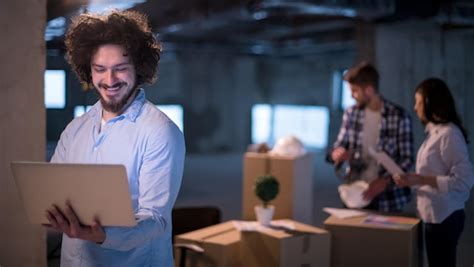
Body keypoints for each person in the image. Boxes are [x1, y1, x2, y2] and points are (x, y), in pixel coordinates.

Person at [45, 10, 185, 266]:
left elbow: (156, 219)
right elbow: (53, 192)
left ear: (139, 68)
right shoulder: (75, 130)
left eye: (120, 69)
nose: (109, 80)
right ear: (88, 70)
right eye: (100, 69)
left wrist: (103, 235)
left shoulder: (160, 131)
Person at [394, 78, 473, 267]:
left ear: (430, 103)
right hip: (431, 216)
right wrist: (413, 180)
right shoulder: (435, 132)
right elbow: (434, 173)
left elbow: (464, 181)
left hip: (445, 217)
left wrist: (421, 178)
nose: (415, 108)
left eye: (418, 102)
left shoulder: (449, 134)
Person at [329, 62, 414, 212]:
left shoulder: (399, 116)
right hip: (355, 194)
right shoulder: (351, 113)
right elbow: (340, 144)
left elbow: (407, 159)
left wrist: (385, 181)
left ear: (368, 90)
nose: (351, 96)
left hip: (388, 199)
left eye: (354, 91)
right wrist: (338, 152)